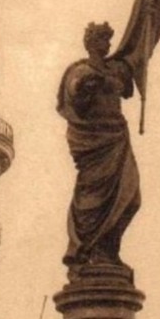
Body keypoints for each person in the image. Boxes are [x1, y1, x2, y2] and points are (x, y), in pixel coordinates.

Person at [56, 22, 141, 270]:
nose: (108, 44)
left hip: (117, 139)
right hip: (94, 143)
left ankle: (108, 251)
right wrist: (84, 86)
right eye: (102, 40)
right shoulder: (80, 71)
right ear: (91, 43)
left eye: (108, 40)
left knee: (132, 197)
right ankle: (89, 250)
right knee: (93, 199)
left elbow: (130, 75)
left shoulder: (114, 69)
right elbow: (73, 94)